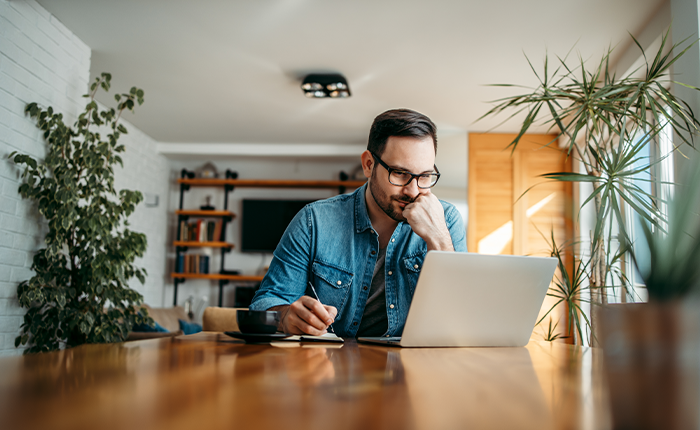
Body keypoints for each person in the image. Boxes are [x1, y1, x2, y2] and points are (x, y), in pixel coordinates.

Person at [249, 108, 467, 337]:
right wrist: (285, 317)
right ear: (369, 165)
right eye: (400, 173)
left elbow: (461, 318)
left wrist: (439, 239)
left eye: (424, 176)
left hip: (413, 367)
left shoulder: (446, 220)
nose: (413, 191)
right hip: (328, 365)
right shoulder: (313, 221)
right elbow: (265, 303)